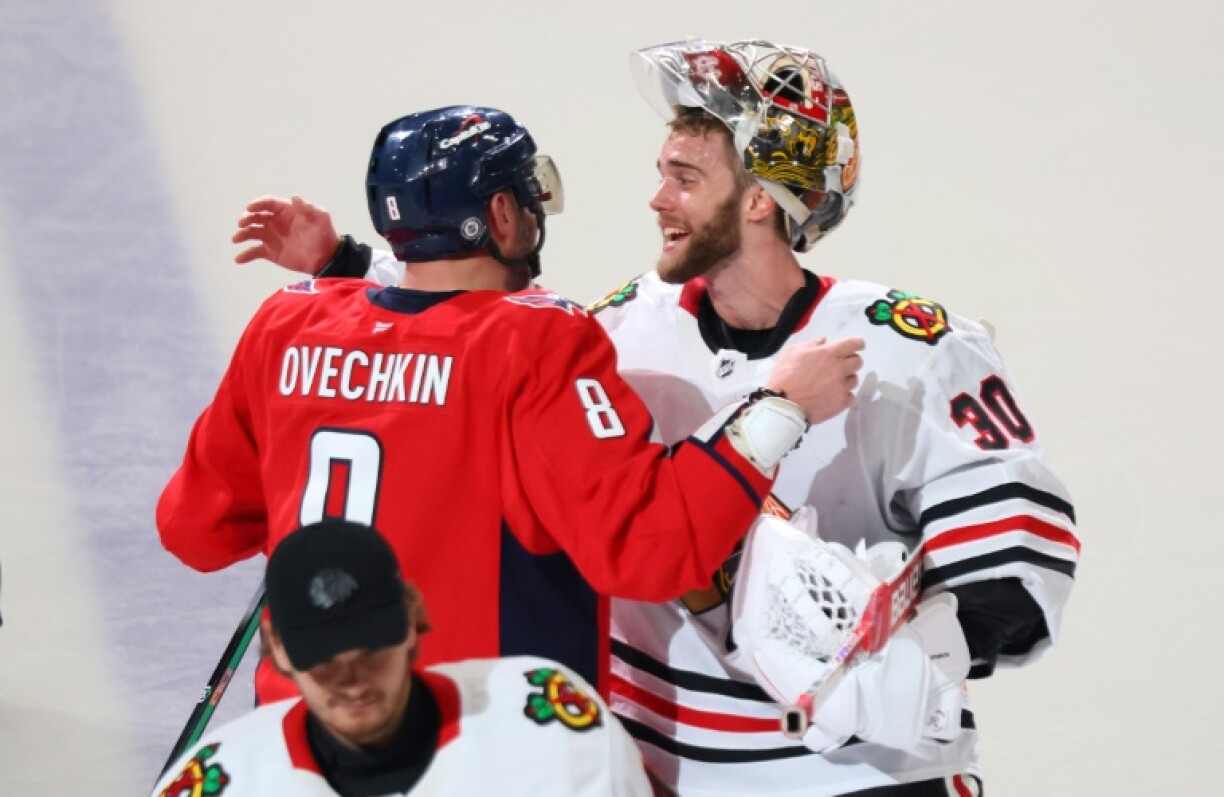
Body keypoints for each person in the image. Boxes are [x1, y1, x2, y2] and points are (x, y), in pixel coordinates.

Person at [237, 40, 1080, 795]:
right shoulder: (610, 334)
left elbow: (1018, 565)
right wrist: (351, 268)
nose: (656, 199)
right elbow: (459, 340)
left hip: (859, 776)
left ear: (759, 198)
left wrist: (906, 655)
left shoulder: (910, 348)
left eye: (684, 177)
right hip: (663, 768)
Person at [159, 104, 866, 706]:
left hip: (303, 740)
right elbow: (646, 547)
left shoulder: (288, 323)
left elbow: (196, 529)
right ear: (501, 212)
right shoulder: (535, 339)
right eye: (529, 192)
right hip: (480, 742)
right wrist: (776, 411)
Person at [151, 519, 654, 796]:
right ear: (280, 651)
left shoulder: (554, 729)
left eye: (371, 647)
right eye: (322, 656)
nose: (352, 679)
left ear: (412, 623)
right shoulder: (219, 783)